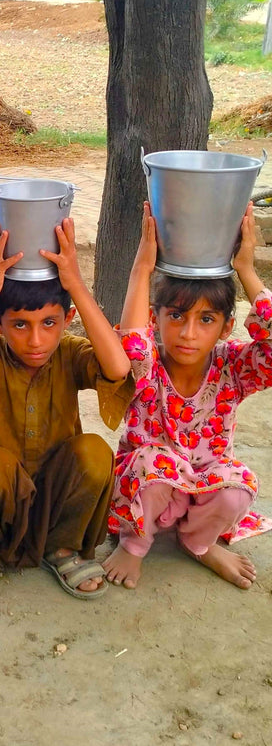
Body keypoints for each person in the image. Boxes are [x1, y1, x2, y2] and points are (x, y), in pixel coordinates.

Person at [0, 219, 133, 598]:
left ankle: (63, 547)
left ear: (67, 320)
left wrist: (75, 284)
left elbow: (119, 368)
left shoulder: (70, 354)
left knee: (94, 452)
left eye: (49, 323)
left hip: (53, 498)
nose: (37, 340)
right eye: (20, 325)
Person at [102, 203, 272, 590]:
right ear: (155, 319)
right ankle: (135, 542)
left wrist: (246, 269)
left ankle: (199, 542)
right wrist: (142, 269)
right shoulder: (147, 368)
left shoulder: (233, 368)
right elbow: (131, 344)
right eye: (176, 316)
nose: (189, 333)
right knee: (154, 464)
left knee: (238, 486)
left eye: (206, 319)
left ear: (227, 326)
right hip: (149, 488)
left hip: (202, 490)